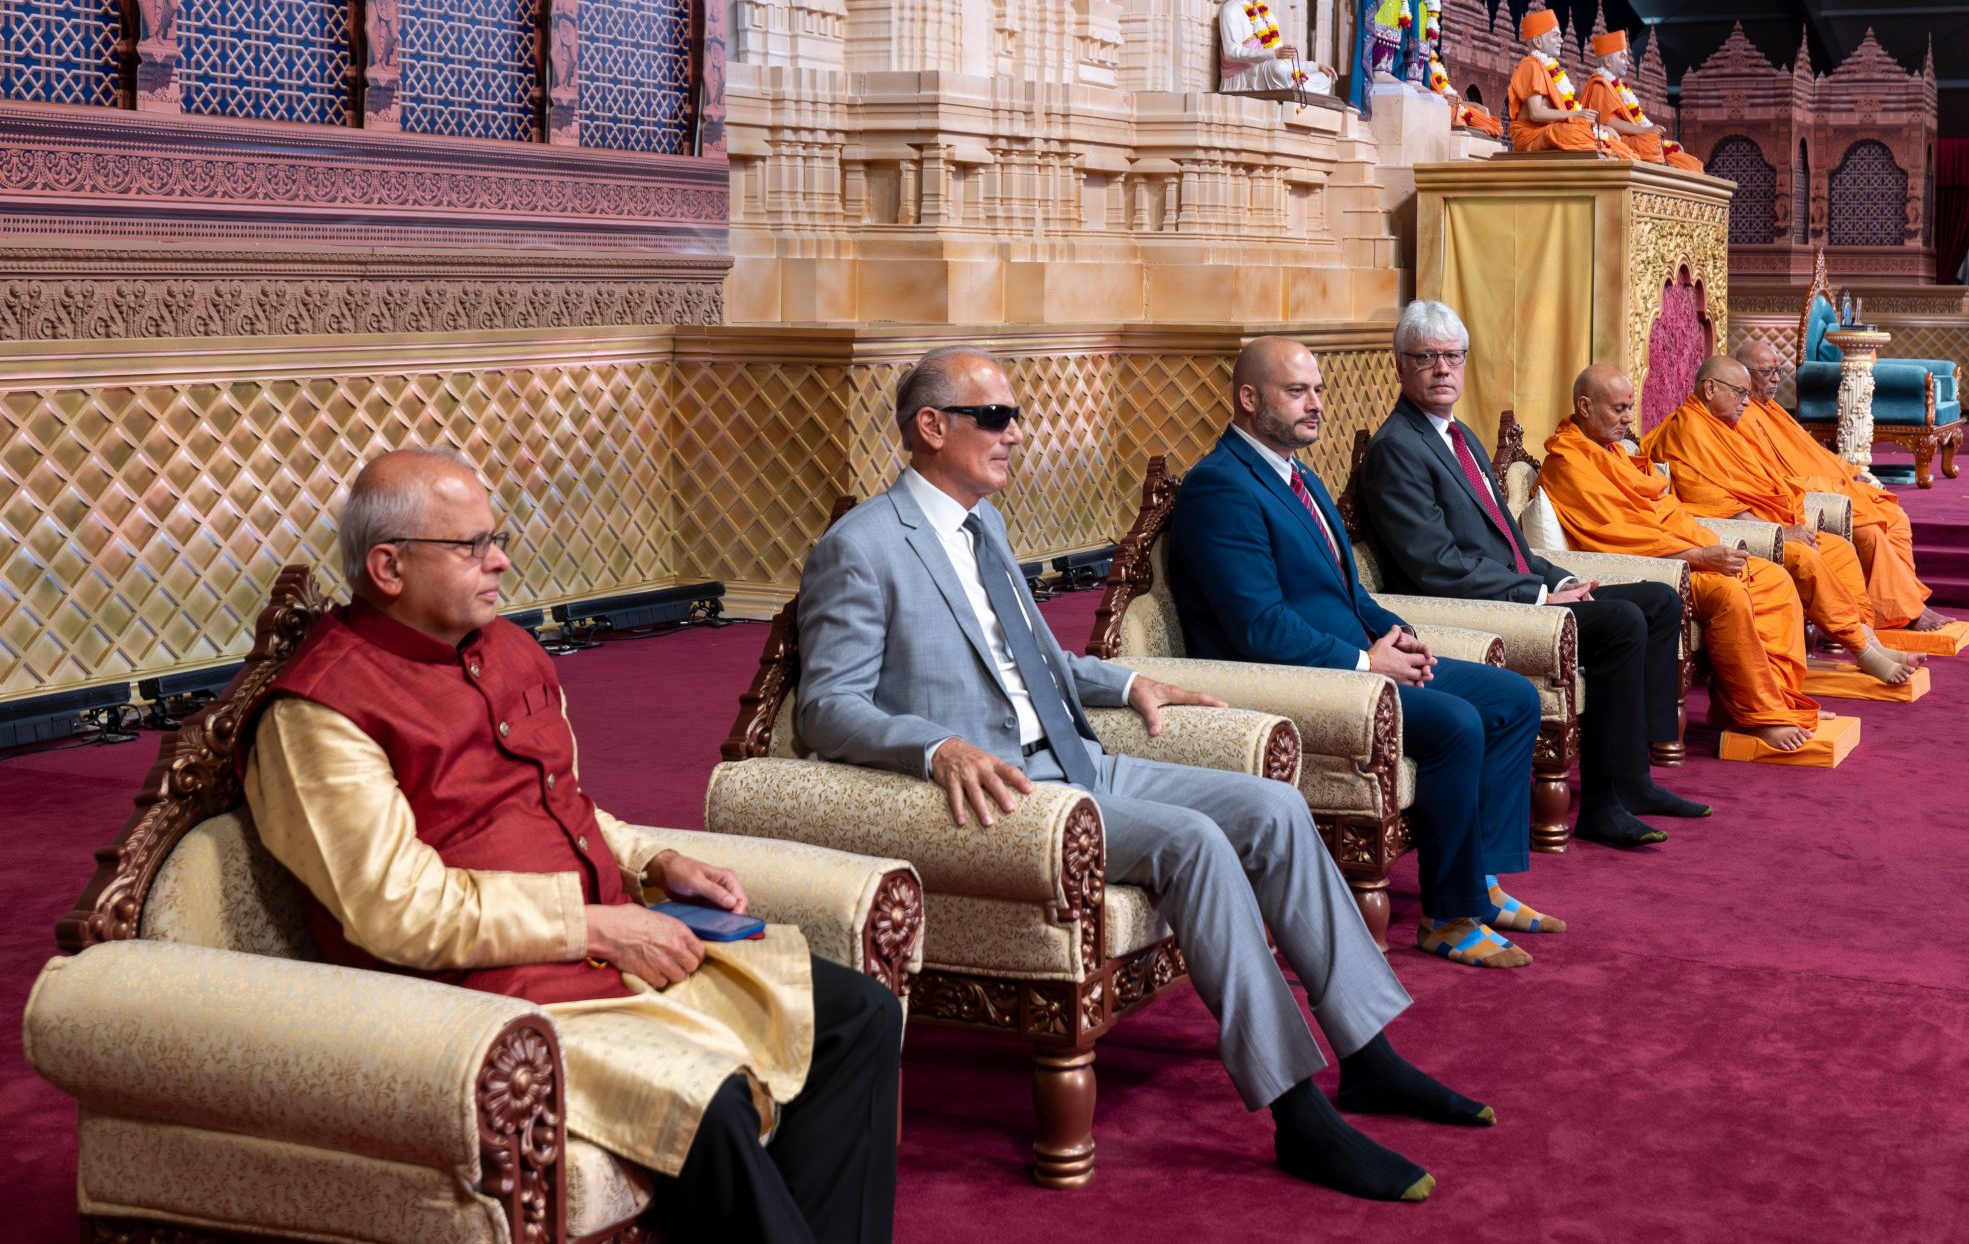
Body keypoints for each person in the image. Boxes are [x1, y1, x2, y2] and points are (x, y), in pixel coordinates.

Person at [795, 347, 1489, 1203]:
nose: (1016, 432)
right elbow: (826, 707)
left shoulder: (987, 526)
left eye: (1016, 414)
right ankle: (1296, 1111)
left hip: (1084, 760)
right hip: (1011, 797)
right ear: (932, 428)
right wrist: (935, 748)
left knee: (1275, 806)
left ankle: (1369, 1056)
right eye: (996, 417)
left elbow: (1038, 661)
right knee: (1197, 842)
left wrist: (1128, 680)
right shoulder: (861, 546)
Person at [240, 450, 902, 1244]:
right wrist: (593, 924)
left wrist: (652, 861)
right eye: (472, 545)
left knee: (858, 1014)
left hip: (605, 945)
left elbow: (564, 801)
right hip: (487, 999)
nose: (501, 559)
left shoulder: (508, 648)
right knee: (712, 1101)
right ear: (388, 566)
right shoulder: (321, 710)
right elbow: (397, 912)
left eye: (498, 535)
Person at [1163, 337, 1555, 972]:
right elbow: (1257, 628)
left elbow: (1346, 590)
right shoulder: (1221, 488)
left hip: (1357, 659)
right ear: (1248, 398)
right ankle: (1447, 918)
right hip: (1291, 679)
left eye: (1317, 389)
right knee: (1456, 723)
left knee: (1511, 697)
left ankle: (1480, 881)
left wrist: (1395, 632)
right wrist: (1367, 664)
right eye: (1297, 392)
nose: (1315, 403)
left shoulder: (1300, 473)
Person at [1355, 300, 1704, 847]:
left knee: (1657, 600)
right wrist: (1539, 595)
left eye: (1453, 356)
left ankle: (1635, 778)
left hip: (1517, 588)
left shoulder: (1460, 436)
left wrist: (1560, 579)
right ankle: (1603, 807)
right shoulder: (1397, 449)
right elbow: (1436, 568)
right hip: (1477, 608)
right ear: (1400, 366)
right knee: (1619, 624)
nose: (1443, 368)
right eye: (1427, 357)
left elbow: (1508, 540)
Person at [1539, 364, 1826, 753]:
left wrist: (1706, 547)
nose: (1628, 419)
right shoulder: (1568, 463)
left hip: (1681, 550)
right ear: (1585, 406)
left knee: (1774, 579)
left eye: (1629, 408)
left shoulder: (1614, 454)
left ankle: (1775, 702)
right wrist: (1700, 555)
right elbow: (1619, 539)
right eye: (1618, 409)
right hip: (1648, 568)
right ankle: (1762, 716)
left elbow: (1664, 513)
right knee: (1728, 594)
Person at [1640, 357, 1920, 687]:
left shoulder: (1726, 429)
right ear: (1710, 388)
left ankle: (1868, 638)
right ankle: (1862, 649)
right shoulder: (1688, 432)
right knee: (1804, 557)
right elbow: (1717, 505)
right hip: (1735, 535)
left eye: (1747, 392)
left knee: (1840, 550)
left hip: (1768, 525)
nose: (1747, 400)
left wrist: (1789, 524)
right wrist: (1781, 532)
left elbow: (1765, 484)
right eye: (1739, 392)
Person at [1728, 338, 1951, 639]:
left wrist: (1850, 473)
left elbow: (1812, 453)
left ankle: (1901, 605)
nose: (1777, 380)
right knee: (1870, 532)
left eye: (1778, 371)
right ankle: (1907, 611)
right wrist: (1837, 485)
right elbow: (1773, 479)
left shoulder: (1770, 409)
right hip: (1799, 499)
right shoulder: (1739, 417)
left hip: (1827, 486)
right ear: (1742, 374)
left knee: (1896, 518)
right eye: (1767, 373)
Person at [1507, 9, 1635, 159]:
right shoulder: (1531, 65)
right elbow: (1536, 113)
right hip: (1532, 134)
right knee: (1574, 133)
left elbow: (1563, 113)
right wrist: (1575, 115)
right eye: (1555, 35)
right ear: (1537, 41)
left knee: (1604, 137)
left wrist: (1599, 128)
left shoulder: (1550, 69)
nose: (1561, 40)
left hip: (1552, 129)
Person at [1217, 0, 1334, 94]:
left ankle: (1294, 86)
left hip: (1267, 70)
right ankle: (1293, 88)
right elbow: (1231, 52)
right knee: (1278, 68)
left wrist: (1315, 66)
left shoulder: (1263, 13)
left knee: (1323, 77)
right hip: (1243, 76)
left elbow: (1282, 59)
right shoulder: (1231, 9)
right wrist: (1273, 54)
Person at [1582, 30, 1702, 171]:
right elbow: (1609, 121)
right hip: (1616, 138)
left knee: (1678, 155)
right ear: (1608, 61)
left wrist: (1663, 141)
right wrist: (1644, 130)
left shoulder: (1618, 88)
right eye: (1622, 57)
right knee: (1651, 142)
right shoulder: (1599, 84)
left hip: (1629, 137)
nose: (1627, 62)